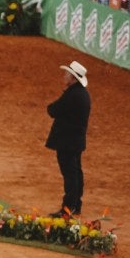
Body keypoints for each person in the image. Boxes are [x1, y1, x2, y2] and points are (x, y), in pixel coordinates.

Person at [45, 60, 91, 216]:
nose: (64, 76)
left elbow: (53, 110)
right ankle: (76, 205)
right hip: (75, 141)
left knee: (70, 175)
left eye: (67, 74)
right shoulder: (82, 94)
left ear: (73, 78)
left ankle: (68, 207)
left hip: (67, 141)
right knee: (76, 173)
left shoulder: (72, 95)